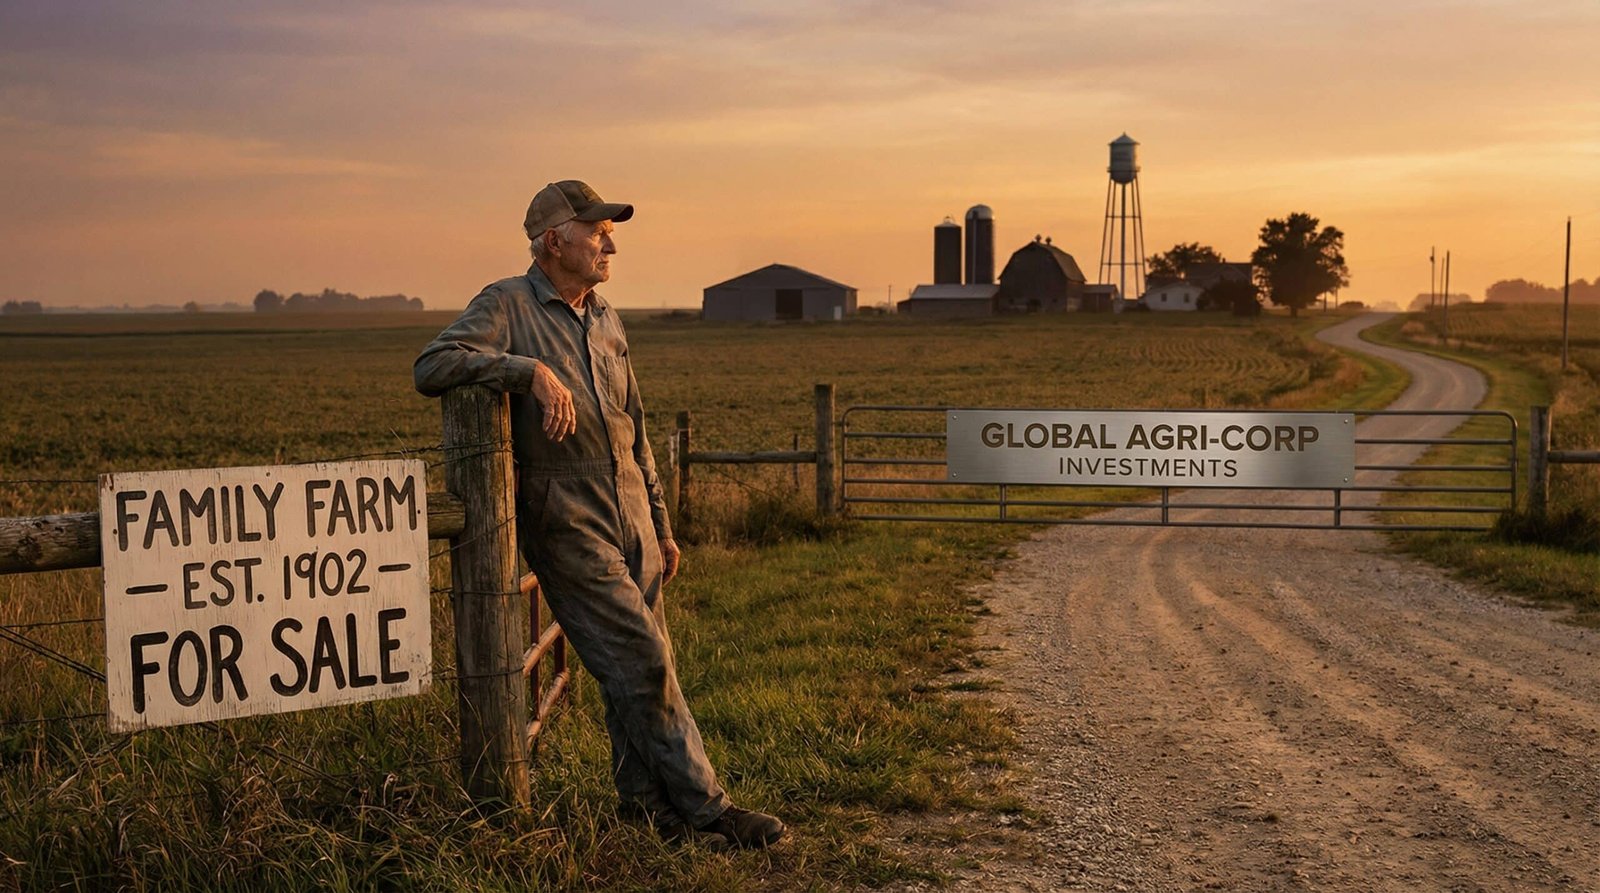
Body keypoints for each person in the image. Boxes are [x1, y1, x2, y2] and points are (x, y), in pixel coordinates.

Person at [413, 180, 784, 850]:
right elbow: (433, 364)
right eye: (596, 231)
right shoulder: (508, 303)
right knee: (642, 659)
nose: (609, 244)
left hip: (631, 508)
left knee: (633, 670)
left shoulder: (607, 318)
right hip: (566, 514)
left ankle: (649, 811)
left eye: (610, 232)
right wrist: (528, 372)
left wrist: (661, 523)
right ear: (554, 241)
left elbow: (633, 424)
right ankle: (709, 809)